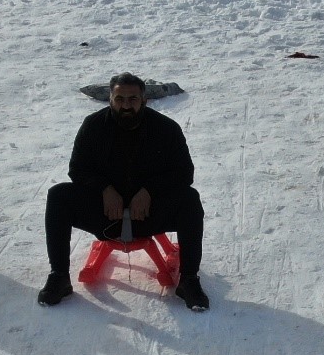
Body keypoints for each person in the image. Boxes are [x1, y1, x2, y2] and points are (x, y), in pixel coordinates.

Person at [40, 72, 208, 311]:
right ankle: (59, 276)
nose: (126, 105)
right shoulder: (93, 126)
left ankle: (189, 280)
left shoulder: (166, 129)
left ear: (144, 100)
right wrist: (104, 189)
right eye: (120, 99)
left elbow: (184, 174)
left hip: (149, 214)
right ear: (110, 99)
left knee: (190, 200)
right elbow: (77, 169)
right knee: (58, 196)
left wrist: (149, 190)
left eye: (132, 99)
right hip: (106, 213)